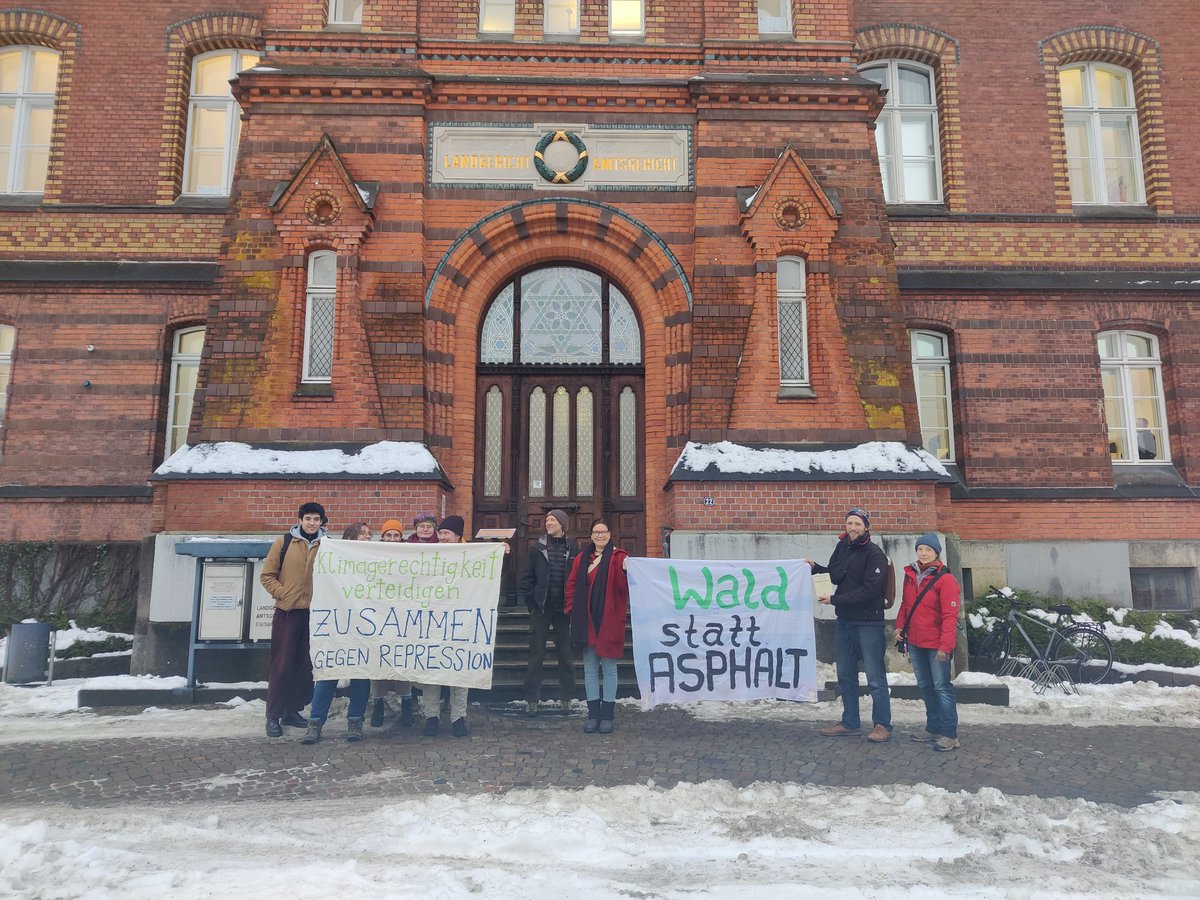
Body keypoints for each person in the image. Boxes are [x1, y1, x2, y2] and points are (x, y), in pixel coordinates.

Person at [806, 507, 892, 743]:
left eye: (857, 524)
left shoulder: (875, 554)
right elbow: (834, 576)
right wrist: (816, 569)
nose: (852, 528)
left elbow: (869, 590)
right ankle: (850, 722)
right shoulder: (842, 547)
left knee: (875, 677)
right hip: (845, 621)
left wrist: (834, 599)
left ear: (866, 527)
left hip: (868, 624)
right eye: (849, 523)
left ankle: (882, 725)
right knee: (845, 675)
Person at [259, 501, 326, 738]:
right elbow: (267, 575)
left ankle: (292, 709)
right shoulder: (284, 542)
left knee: (303, 665)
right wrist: (282, 593)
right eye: (308, 518)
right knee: (282, 663)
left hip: (313, 613)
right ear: (300, 520)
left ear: (321, 522)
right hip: (287, 611)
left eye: (316, 519)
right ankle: (273, 714)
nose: (311, 523)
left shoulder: (326, 545)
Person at [303, 522, 373, 744]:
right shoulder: (334, 555)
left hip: (365, 625)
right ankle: (315, 722)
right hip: (336, 624)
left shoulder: (376, 558)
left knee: (361, 674)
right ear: (350, 537)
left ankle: (355, 721)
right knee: (328, 673)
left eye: (370, 534)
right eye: (363, 534)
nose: (368, 537)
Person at [894, 532, 961, 752]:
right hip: (915, 641)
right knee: (925, 686)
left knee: (942, 687)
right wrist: (900, 627)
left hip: (936, 644)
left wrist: (945, 646)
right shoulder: (911, 574)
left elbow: (950, 616)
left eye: (928, 550)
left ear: (936, 553)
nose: (923, 553)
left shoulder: (945, 579)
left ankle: (950, 733)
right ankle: (933, 727)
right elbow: (906, 604)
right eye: (920, 549)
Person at [565, 521, 629, 734]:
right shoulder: (582, 559)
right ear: (591, 535)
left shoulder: (619, 557)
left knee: (610, 669)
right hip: (586, 620)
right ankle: (593, 714)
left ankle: (607, 715)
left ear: (610, 533)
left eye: (603, 531)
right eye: (596, 532)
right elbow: (572, 584)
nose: (600, 535)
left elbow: (623, 588)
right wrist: (572, 610)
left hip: (609, 620)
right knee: (590, 669)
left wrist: (626, 570)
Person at [416, 515, 472, 737]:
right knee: (433, 671)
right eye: (440, 533)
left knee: (460, 672)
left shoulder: (472, 556)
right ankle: (432, 716)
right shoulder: (430, 554)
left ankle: (459, 717)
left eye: (446, 533)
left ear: (458, 536)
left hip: (462, 621)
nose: (442, 537)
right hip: (434, 620)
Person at [519, 509, 579, 716]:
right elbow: (527, 577)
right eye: (547, 520)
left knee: (566, 655)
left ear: (563, 524)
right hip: (542, 610)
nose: (548, 523)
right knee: (536, 655)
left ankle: (567, 697)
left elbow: (579, 577)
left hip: (564, 610)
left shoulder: (573, 547)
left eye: (553, 520)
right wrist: (532, 603)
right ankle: (531, 699)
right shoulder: (537, 548)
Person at [369, 518, 418, 729]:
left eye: (396, 535)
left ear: (401, 537)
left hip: (402, 616)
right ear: (382, 537)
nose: (392, 538)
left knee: (402, 660)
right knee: (377, 663)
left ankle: (406, 704)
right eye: (388, 535)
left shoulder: (408, 557)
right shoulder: (372, 556)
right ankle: (378, 704)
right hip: (379, 616)